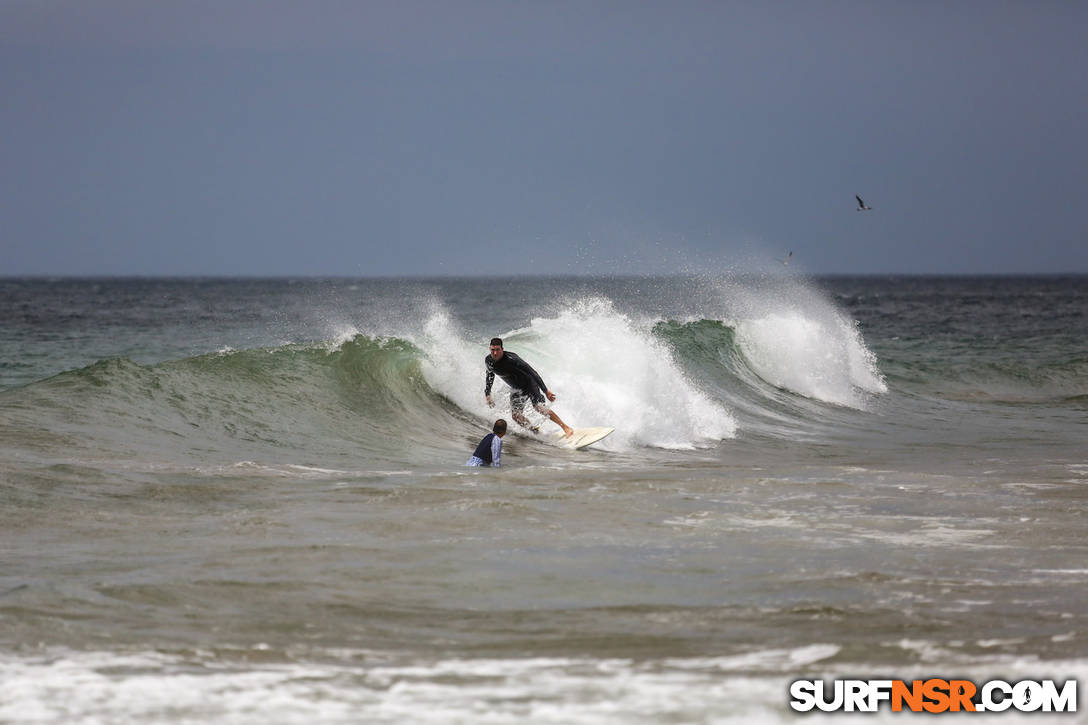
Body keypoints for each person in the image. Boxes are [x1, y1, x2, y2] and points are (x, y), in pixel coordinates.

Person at [484, 337, 574, 437]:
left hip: (529, 384)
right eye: (492, 350)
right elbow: (489, 375)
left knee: (539, 407)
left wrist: (546, 391)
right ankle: (534, 430)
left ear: (502, 349)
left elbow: (532, 372)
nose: (495, 353)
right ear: (489, 349)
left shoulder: (512, 359)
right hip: (517, 389)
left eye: (497, 350)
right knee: (516, 416)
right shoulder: (489, 361)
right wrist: (488, 394)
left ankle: (566, 428)